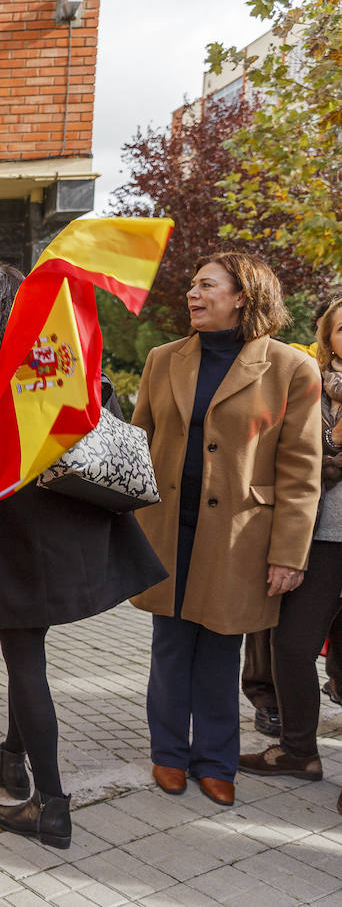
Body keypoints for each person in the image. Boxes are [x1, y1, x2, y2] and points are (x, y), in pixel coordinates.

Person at [0, 265, 167, 848]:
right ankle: (12, 759)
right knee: (28, 656)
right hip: (74, 530)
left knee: (25, 663)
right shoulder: (58, 364)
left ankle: (52, 804)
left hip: (12, 536)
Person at [132, 252, 321, 808]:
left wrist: (290, 553)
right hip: (168, 526)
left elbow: (301, 469)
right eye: (192, 285)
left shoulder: (290, 368)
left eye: (206, 285)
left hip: (241, 535)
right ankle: (168, 754)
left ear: (243, 295)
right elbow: (139, 441)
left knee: (220, 648)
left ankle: (214, 760)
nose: (193, 294)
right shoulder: (163, 360)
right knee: (169, 645)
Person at [238, 295, 342, 798]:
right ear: (328, 336)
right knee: (292, 647)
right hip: (318, 540)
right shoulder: (310, 385)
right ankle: (299, 752)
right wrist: (335, 447)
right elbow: (289, 457)